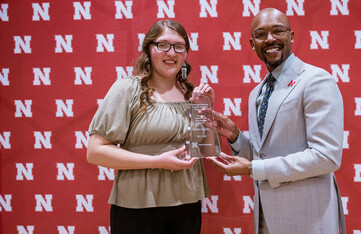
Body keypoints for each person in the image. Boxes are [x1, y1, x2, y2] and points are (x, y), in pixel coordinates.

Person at [207, 8, 346, 234]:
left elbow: (326, 157)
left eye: (277, 31)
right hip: (266, 218)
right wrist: (235, 136)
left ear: (290, 36)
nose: (270, 39)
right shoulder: (257, 93)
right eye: (261, 34)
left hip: (309, 219)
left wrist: (253, 168)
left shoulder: (316, 80)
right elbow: (265, 155)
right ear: (252, 44)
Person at [86, 19, 213, 234]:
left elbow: (205, 152)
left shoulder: (191, 94)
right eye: (163, 45)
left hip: (187, 205)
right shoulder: (127, 89)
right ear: (149, 49)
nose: (171, 53)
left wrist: (208, 112)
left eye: (179, 46)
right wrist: (156, 162)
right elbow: (95, 152)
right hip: (137, 207)